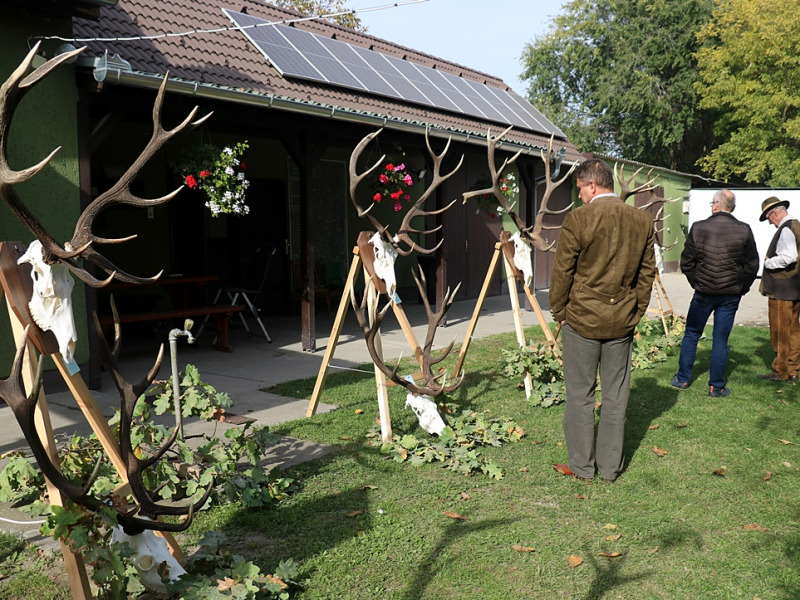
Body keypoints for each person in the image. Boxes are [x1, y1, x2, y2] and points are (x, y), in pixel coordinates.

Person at [549, 159, 655, 482]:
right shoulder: (642, 221)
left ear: (592, 185)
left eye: (580, 189)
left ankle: (582, 467)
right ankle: (609, 469)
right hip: (621, 321)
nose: (579, 195)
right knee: (615, 396)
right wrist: (635, 312)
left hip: (582, 320)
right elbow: (646, 274)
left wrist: (559, 312)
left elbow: (562, 272)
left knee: (580, 395)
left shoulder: (578, 220)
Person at [671, 190, 758, 397]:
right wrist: (740, 288)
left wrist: (697, 283)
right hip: (729, 295)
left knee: (692, 334)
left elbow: (687, 262)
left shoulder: (698, 227)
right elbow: (751, 265)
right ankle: (716, 386)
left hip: (704, 292)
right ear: (731, 207)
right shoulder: (744, 229)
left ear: (716, 205)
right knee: (720, 339)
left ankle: (683, 379)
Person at [758, 196, 800, 381]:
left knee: (781, 330)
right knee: (792, 329)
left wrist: (768, 263)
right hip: (793, 288)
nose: (769, 222)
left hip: (783, 289)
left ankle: (782, 371)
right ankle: (792, 369)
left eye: (768, 217)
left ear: (774, 213)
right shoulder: (795, 225)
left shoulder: (786, 229)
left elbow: (788, 257)